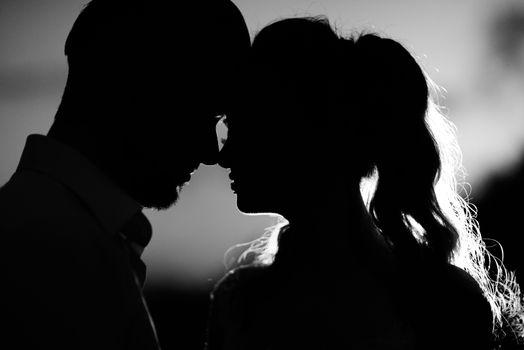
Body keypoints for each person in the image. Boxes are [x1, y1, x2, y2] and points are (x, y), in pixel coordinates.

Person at [207, 17, 523, 350]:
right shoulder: (443, 297)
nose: (223, 156)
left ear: (305, 133)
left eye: (243, 127)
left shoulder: (242, 306)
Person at [0, 0, 250, 349]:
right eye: (204, 115)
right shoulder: (45, 250)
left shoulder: (55, 232)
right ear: (137, 87)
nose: (212, 153)